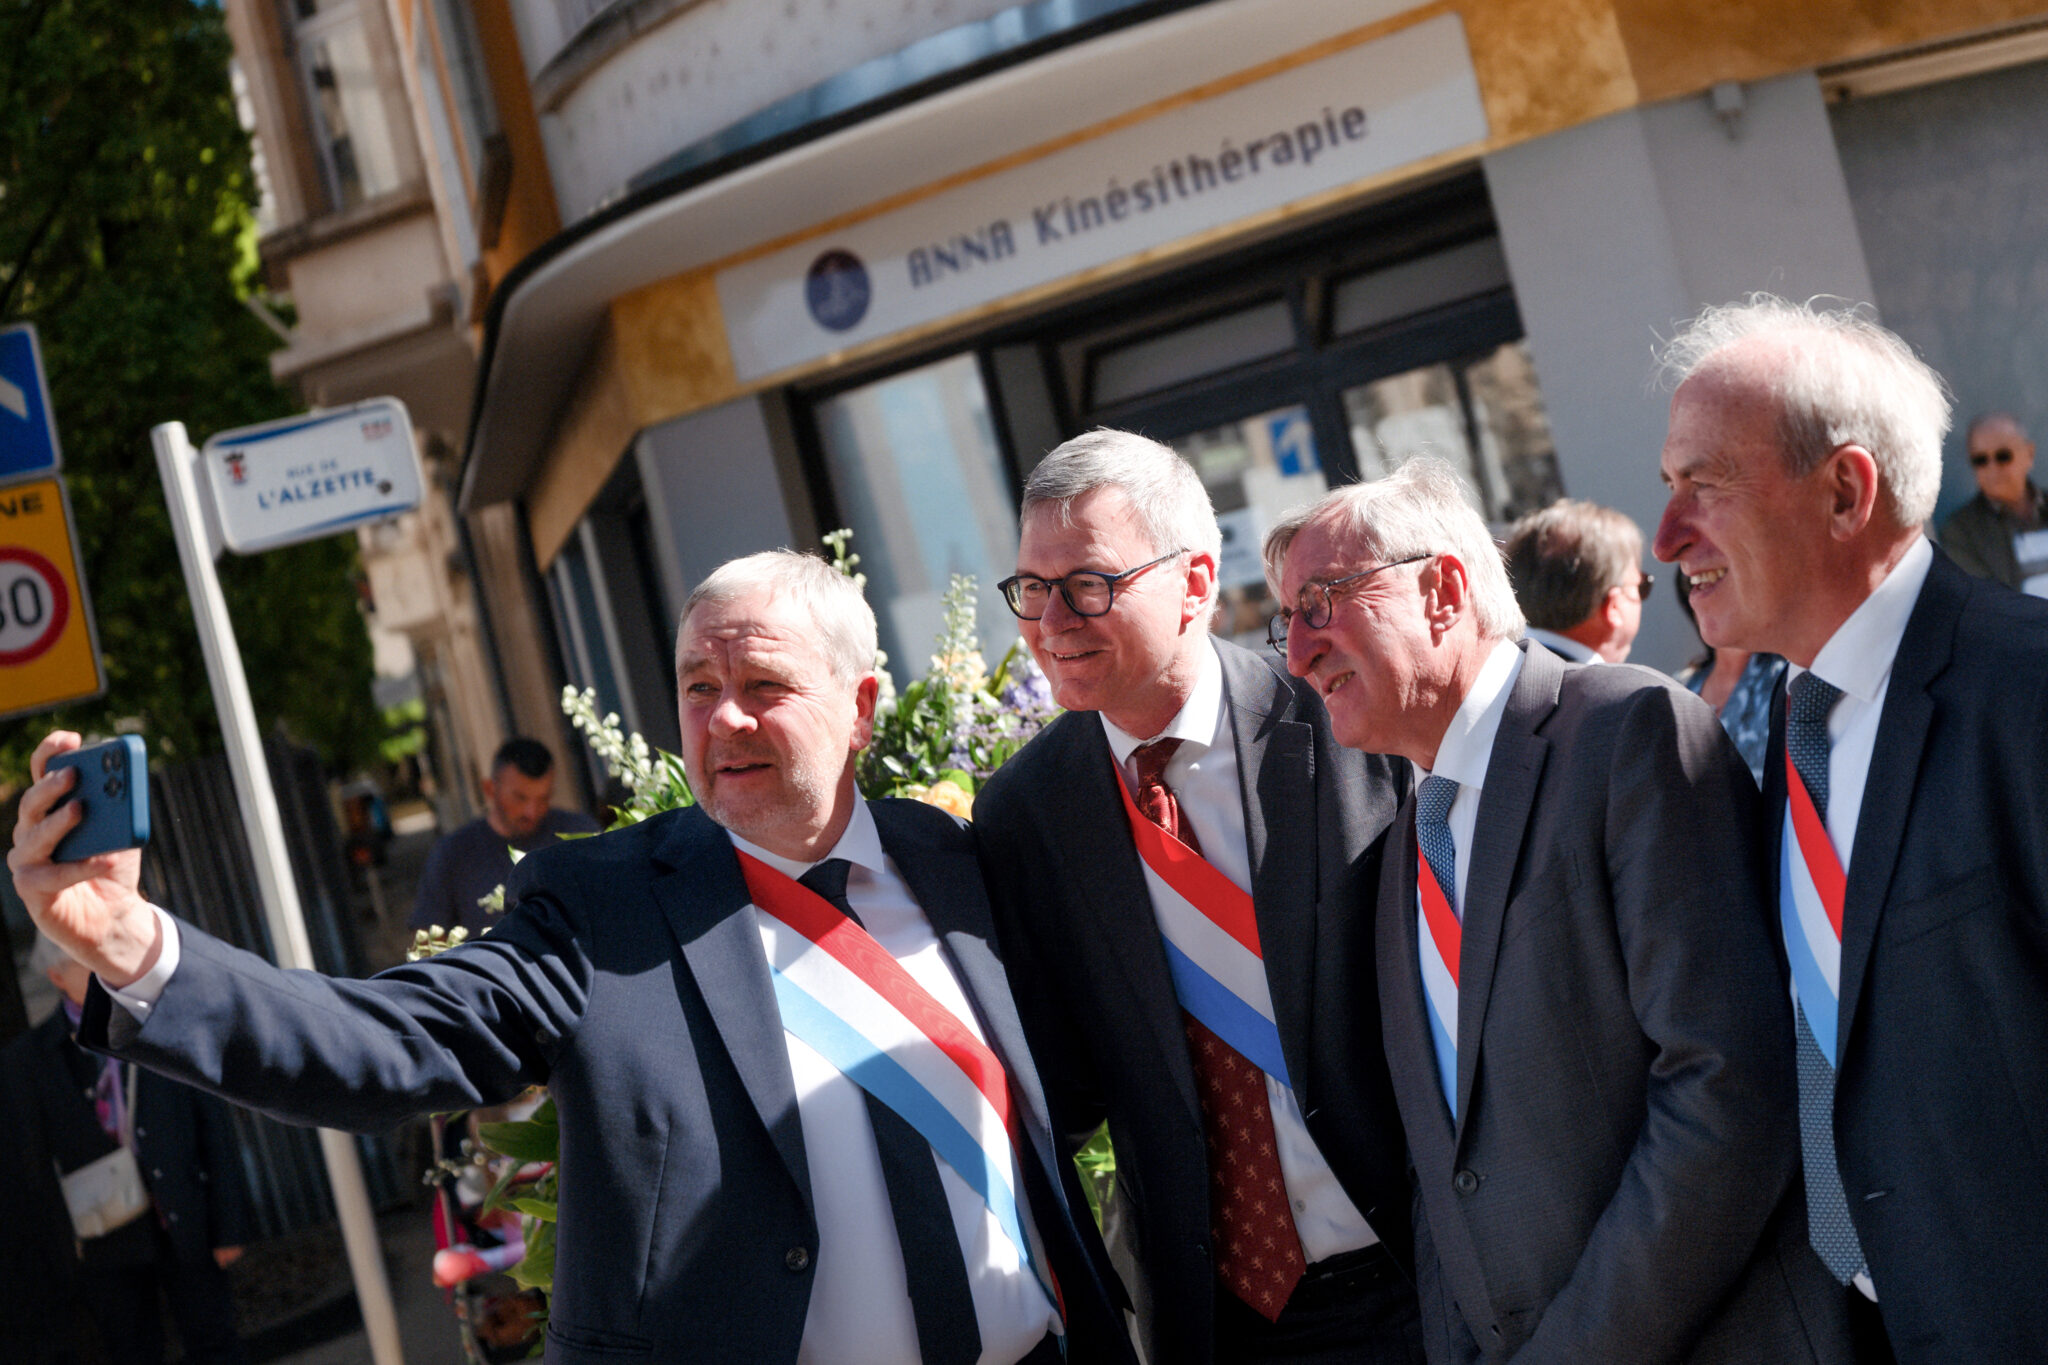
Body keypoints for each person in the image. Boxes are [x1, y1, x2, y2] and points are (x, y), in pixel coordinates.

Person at [8, 550, 1130, 1365]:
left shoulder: (952, 858)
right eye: (699, 688)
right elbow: (388, 1041)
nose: (724, 721)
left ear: (862, 708)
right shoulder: (604, 907)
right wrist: (134, 947)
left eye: (764, 688)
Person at [1267, 458, 1849, 1364]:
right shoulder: (1405, 841)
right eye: (1286, 620)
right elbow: (1439, 1172)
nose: (1297, 652)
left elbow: (1729, 1086)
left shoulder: (1627, 731)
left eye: (1321, 602)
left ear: (1442, 591)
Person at [1652, 296, 2048, 1363]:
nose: (1665, 537)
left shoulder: (2024, 689)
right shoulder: (1795, 724)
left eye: (1704, 484)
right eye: (1667, 487)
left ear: (1843, 492)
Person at [974, 430, 1421, 1365]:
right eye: (1033, 588)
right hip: (1217, 1325)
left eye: (1088, 584)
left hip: (1419, 1281)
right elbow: (1062, 1086)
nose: (1052, 620)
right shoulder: (1025, 813)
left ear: (1195, 581)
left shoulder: (1342, 722)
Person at [0, 936, 251, 1365]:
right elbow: (32, 1166)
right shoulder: (31, 1060)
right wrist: (66, 1255)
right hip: (106, 1238)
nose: (100, 972)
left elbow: (214, 1129)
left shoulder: (159, 1023)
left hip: (183, 1215)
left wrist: (229, 1225)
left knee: (215, 1340)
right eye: (84, 964)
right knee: (133, 1351)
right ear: (56, 977)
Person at [410, 737, 599, 935]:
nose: (531, 811)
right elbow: (426, 941)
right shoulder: (452, 854)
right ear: (490, 789)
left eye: (543, 798)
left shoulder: (579, 833)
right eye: (520, 798)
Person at [1501, 498, 1652, 662]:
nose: (1641, 595)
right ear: (1613, 607)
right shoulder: (1618, 680)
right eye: (1642, 586)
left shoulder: (1498, 668)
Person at [1672, 571, 1786, 786]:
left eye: (1721, 580)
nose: (1707, 596)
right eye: (1697, 585)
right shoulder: (1678, 688)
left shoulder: (1789, 680)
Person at [1935, 411, 2048, 592]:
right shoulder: (1960, 532)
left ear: (2029, 454)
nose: (1992, 468)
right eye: (1980, 460)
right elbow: (1988, 600)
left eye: (2003, 456)